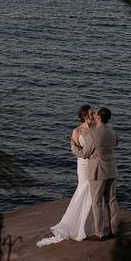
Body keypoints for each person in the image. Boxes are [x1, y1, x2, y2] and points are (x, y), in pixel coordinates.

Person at [37, 104, 97, 246]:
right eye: (90, 113)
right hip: (83, 165)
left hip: (95, 164)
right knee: (84, 188)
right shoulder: (77, 131)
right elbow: (75, 149)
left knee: (92, 192)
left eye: (93, 113)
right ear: (84, 115)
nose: (93, 115)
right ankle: (77, 225)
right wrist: (87, 155)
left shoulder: (96, 129)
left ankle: (89, 225)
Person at [76, 107, 119, 242]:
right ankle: (115, 230)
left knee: (96, 202)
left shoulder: (93, 134)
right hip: (111, 168)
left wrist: (73, 147)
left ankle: (99, 233)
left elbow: (84, 154)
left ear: (99, 118)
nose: (93, 115)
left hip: (98, 171)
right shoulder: (112, 131)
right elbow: (117, 143)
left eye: (95, 114)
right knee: (111, 201)